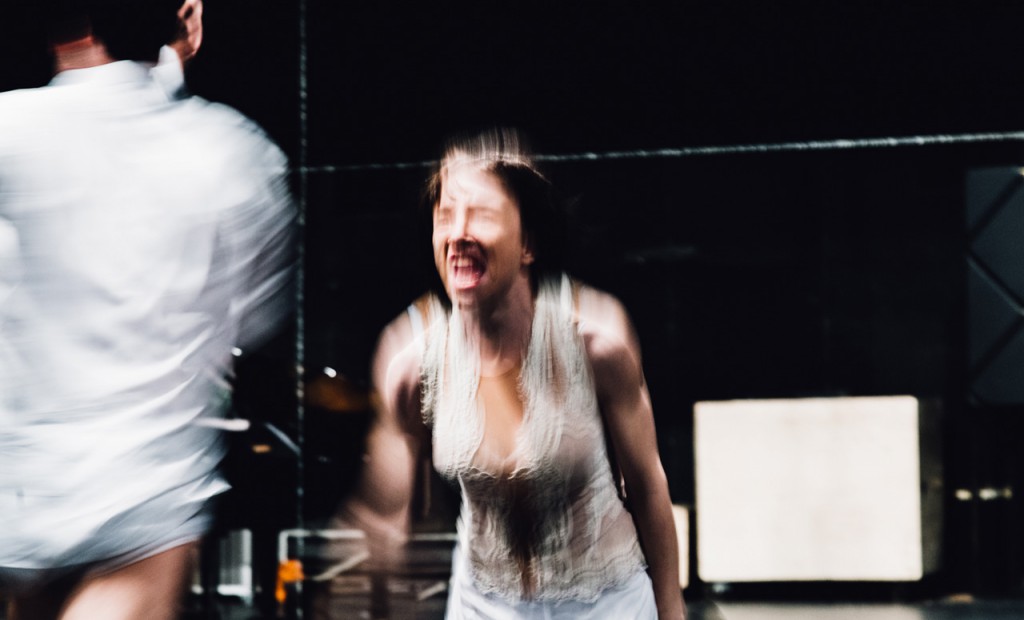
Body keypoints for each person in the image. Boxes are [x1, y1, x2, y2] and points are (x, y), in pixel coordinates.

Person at [0, 1, 296, 618]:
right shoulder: (231, 156)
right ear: (185, 21)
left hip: (20, 499)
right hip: (144, 504)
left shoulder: (13, 130)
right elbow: (254, 321)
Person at [341, 128, 686, 619]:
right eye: (446, 215)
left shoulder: (596, 351)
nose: (458, 233)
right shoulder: (414, 370)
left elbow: (648, 488)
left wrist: (671, 609)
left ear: (528, 244)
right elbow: (388, 511)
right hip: (484, 603)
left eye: (481, 214)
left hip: (605, 603)